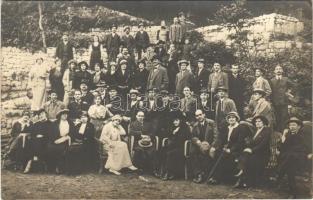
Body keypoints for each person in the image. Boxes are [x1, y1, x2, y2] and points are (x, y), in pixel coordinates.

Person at [276, 117, 312, 198]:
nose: (291, 127)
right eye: (290, 125)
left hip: (300, 156)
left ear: (298, 126)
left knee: (289, 157)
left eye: (294, 125)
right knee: (290, 167)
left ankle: (279, 175)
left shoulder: (303, 135)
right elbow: (283, 147)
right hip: (290, 159)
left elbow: (308, 146)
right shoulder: (288, 134)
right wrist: (284, 135)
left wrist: (310, 153)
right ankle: (293, 193)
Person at [207, 112, 247, 185]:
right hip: (225, 148)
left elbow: (240, 142)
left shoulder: (240, 128)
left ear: (236, 119)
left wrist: (230, 150)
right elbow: (221, 139)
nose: (231, 119)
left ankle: (222, 179)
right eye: (229, 118)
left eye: (233, 117)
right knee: (216, 154)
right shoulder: (226, 128)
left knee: (227, 157)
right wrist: (215, 147)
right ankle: (215, 178)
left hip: (237, 149)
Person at [235, 115, 271, 188]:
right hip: (255, 152)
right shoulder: (255, 131)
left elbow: (263, 145)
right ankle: (243, 179)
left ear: (263, 123)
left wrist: (252, 150)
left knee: (250, 159)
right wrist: (248, 146)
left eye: (259, 121)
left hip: (263, 153)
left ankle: (242, 175)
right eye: (256, 122)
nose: (257, 123)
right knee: (245, 153)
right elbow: (252, 143)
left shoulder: (267, 131)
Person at [159, 111, 191, 180]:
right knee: (162, 150)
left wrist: (175, 133)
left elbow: (181, 140)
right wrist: (173, 133)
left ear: (180, 120)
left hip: (182, 148)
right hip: (173, 146)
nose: (175, 122)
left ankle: (168, 172)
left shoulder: (185, 128)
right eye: (174, 121)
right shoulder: (173, 127)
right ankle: (161, 171)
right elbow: (167, 135)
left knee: (170, 153)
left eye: (176, 120)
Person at [190, 109, 218, 183]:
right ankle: (198, 174)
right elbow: (193, 136)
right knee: (193, 152)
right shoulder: (195, 125)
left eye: (200, 114)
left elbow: (216, 136)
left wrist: (212, 146)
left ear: (204, 114)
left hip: (211, 145)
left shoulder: (211, 123)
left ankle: (210, 176)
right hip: (200, 146)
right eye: (197, 116)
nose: (199, 117)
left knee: (208, 154)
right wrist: (198, 142)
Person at [23, 109, 53, 173]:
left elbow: (52, 134)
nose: (41, 116)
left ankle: (30, 162)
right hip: (36, 141)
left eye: (42, 114)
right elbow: (31, 133)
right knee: (31, 141)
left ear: (46, 115)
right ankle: (33, 159)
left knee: (38, 142)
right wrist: (28, 124)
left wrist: (43, 136)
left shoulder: (50, 124)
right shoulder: (36, 124)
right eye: (40, 115)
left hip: (46, 141)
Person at [46, 109, 75, 173]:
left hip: (66, 140)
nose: (65, 115)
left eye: (66, 114)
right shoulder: (55, 123)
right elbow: (51, 133)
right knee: (50, 147)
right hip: (56, 139)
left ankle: (61, 167)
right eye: (63, 114)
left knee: (62, 149)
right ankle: (53, 167)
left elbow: (73, 133)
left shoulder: (70, 123)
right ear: (60, 115)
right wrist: (56, 140)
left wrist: (67, 137)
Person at [270, 65, 293, 132]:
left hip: (284, 102)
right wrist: (270, 101)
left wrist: (289, 92)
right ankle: (278, 135)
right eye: (277, 69)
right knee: (276, 119)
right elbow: (269, 91)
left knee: (284, 118)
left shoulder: (286, 79)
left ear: (282, 71)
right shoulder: (272, 80)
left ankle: (284, 133)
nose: (278, 70)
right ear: (274, 71)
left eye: (280, 69)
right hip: (275, 103)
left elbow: (294, 86)